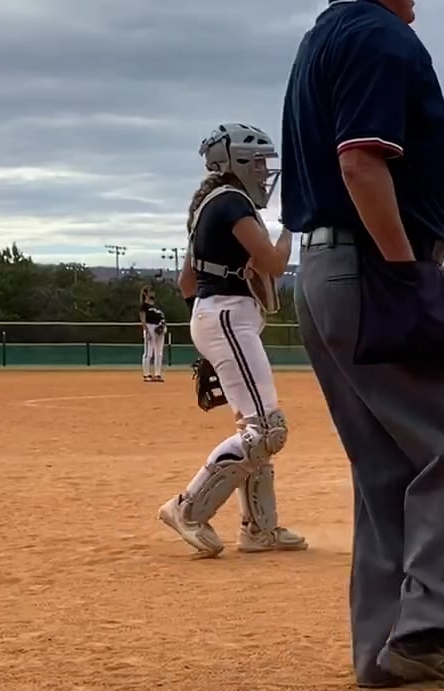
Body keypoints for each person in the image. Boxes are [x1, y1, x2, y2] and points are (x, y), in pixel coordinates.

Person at [281, 0, 444, 691]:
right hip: (372, 272)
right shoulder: (377, 34)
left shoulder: (325, 36)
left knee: (387, 467)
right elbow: (360, 164)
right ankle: (431, 632)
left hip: (327, 273)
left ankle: (385, 647)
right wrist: (408, 271)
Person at [157, 122, 308, 558]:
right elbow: (274, 263)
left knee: (255, 427)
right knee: (267, 430)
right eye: (257, 162)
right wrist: (292, 226)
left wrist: (209, 334)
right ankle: (187, 508)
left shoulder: (210, 204)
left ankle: (260, 529)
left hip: (220, 318)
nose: (264, 171)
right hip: (228, 317)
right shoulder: (231, 202)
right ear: (235, 161)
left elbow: (188, 282)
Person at [139, 283, 168, 382]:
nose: (153, 293)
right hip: (149, 327)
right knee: (148, 352)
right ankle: (146, 374)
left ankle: (157, 374)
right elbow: (143, 320)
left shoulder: (157, 305)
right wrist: (146, 331)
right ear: (146, 293)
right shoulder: (144, 306)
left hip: (158, 327)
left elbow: (162, 316)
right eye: (151, 291)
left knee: (159, 353)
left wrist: (162, 325)